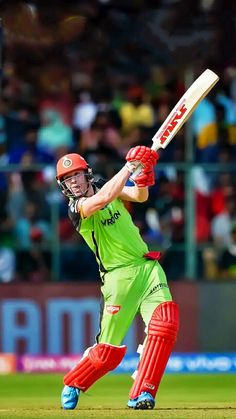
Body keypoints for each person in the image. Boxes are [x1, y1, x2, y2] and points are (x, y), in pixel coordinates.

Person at [56, 146, 180, 410]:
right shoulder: (76, 208)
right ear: (63, 186)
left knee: (165, 324)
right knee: (108, 355)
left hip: (147, 267)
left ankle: (142, 393)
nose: (74, 182)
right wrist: (129, 166)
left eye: (77, 175)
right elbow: (102, 200)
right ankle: (75, 381)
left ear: (87, 174)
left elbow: (138, 195)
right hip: (117, 279)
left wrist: (144, 172)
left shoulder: (101, 182)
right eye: (68, 179)